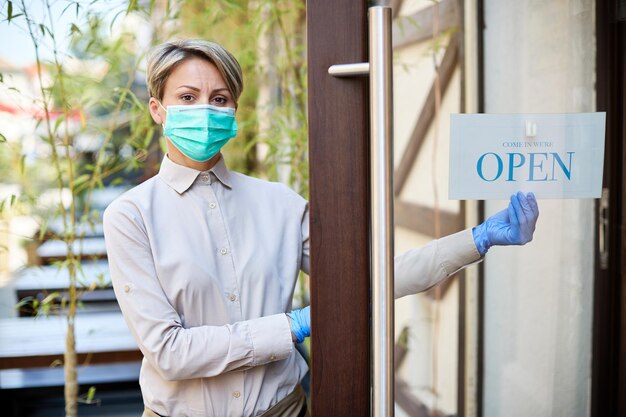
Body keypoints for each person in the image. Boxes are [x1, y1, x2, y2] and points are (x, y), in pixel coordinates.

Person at [103, 39, 539, 417]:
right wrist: (291, 326)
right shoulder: (131, 217)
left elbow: (374, 279)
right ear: (158, 110)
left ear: (234, 110)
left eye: (219, 99)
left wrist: (477, 239)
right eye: (187, 97)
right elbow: (169, 354)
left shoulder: (280, 204)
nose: (205, 109)